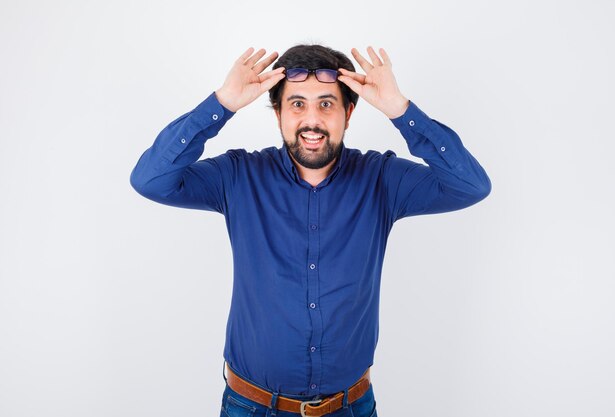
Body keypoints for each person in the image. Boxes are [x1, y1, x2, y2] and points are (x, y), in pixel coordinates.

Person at [130, 44, 491, 417]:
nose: (312, 120)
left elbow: (470, 186)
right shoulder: (238, 176)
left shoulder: (382, 179)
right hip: (251, 407)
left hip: (349, 407)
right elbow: (151, 180)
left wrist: (400, 110)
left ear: (348, 113)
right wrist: (221, 104)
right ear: (279, 115)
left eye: (326, 104)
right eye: (297, 104)